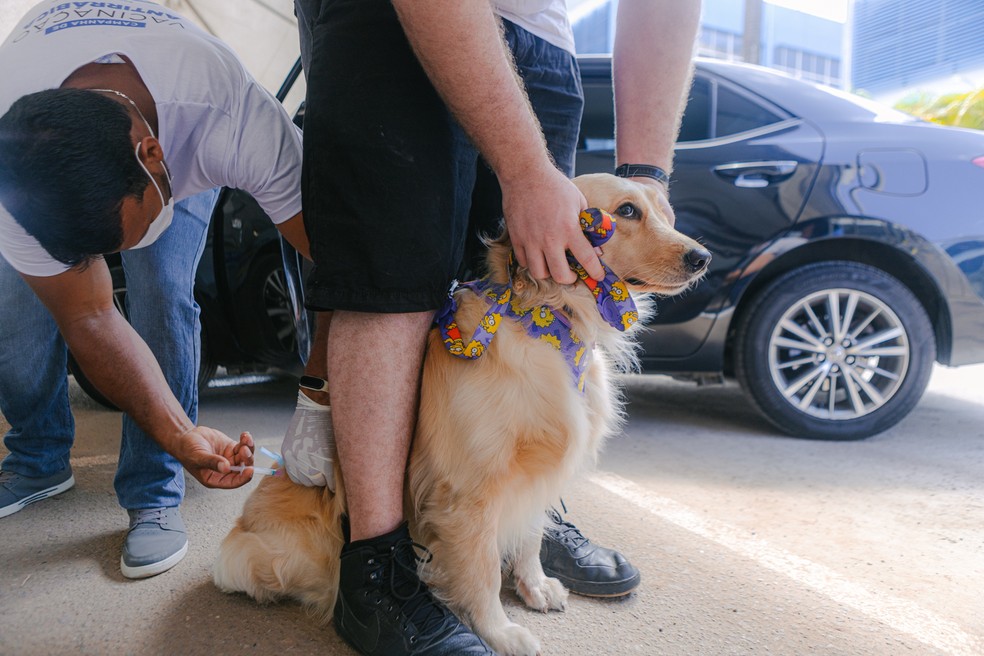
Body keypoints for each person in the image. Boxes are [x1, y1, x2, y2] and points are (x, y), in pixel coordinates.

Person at [288, 1, 701, 654]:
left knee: (536, 290)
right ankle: (377, 566)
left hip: (542, 37)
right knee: (393, 285)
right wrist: (527, 170)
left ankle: (518, 526)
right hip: (388, 19)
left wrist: (645, 172)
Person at [0, 0, 309, 579]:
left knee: (163, 290)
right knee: (14, 309)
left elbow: (338, 267)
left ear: (154, 157)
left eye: (121, 235)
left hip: (178, 114)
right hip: (66, 134)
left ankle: (154, 494)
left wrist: (327, 405)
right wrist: (184, 434)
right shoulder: (16, 165)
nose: (115, 259)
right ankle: (39, 459)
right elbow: (91, 317)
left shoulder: (230, 116)